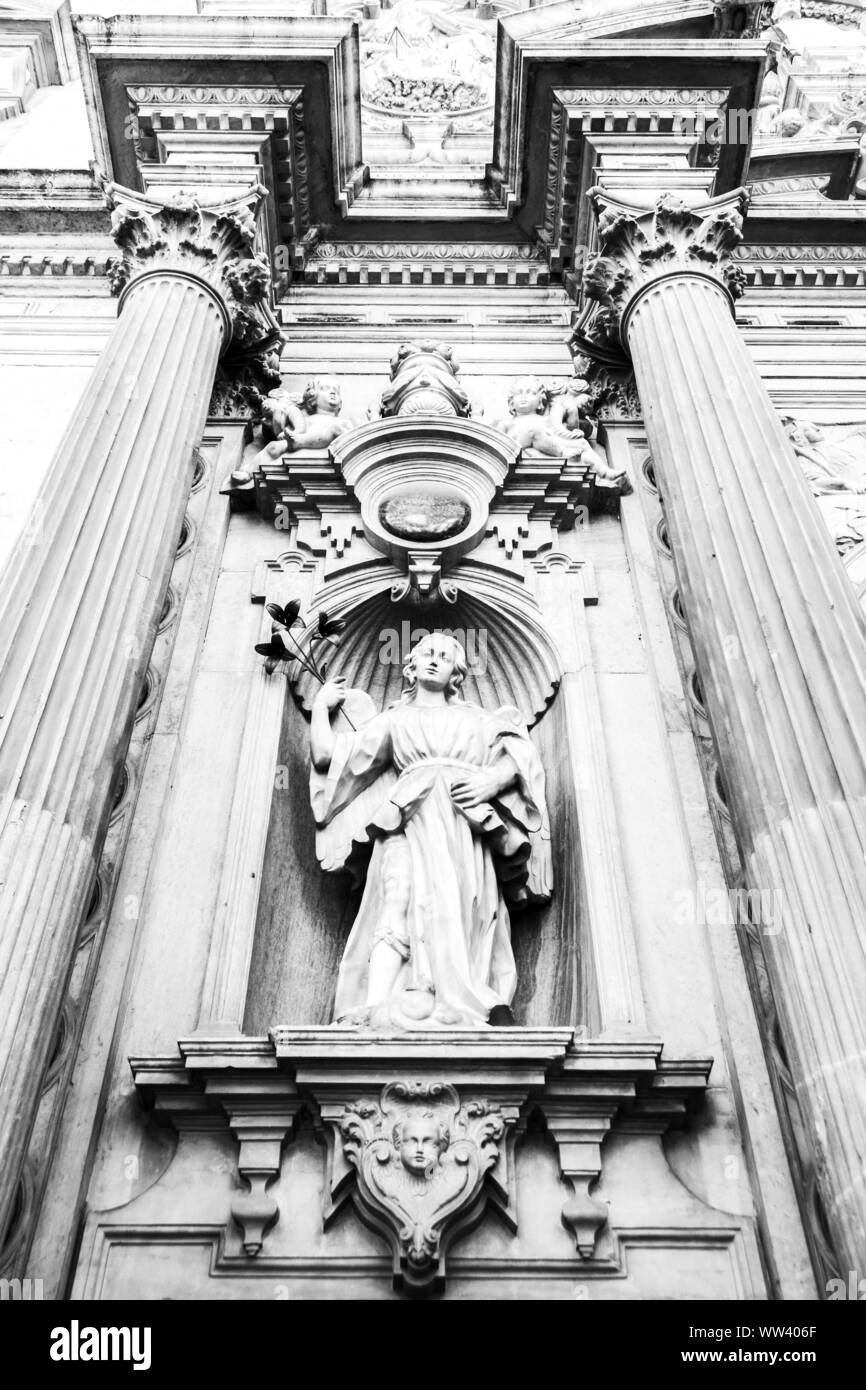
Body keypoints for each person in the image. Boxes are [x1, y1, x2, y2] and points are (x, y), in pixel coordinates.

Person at [309, 633, 550, 1028]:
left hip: (464, 824)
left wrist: (492, 780)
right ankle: (375, 1005)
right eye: (427, 654)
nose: (435, 661)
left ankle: (468, 998)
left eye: (444, 656)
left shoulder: (477, 720)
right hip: (407, 818)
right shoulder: (395, 720)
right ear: (412, 666)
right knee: (397, 894)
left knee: (462, 905)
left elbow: (521, 755)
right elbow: (328, 757)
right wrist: (320, 708)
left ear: (457, 672)